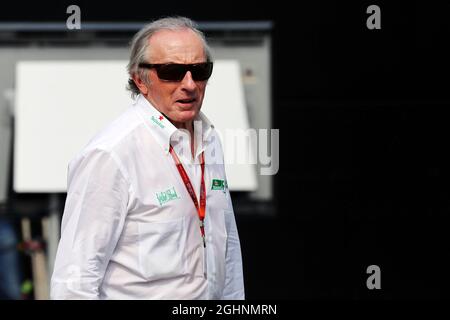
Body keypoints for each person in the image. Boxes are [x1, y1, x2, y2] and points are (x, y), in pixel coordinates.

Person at [50, 16, 245, 299]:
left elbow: (228, 250)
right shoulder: (110, 154)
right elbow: (75, 280)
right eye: (171, 72)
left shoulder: (209, 138)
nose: (190, 84)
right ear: (140, 80)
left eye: (200, 70)